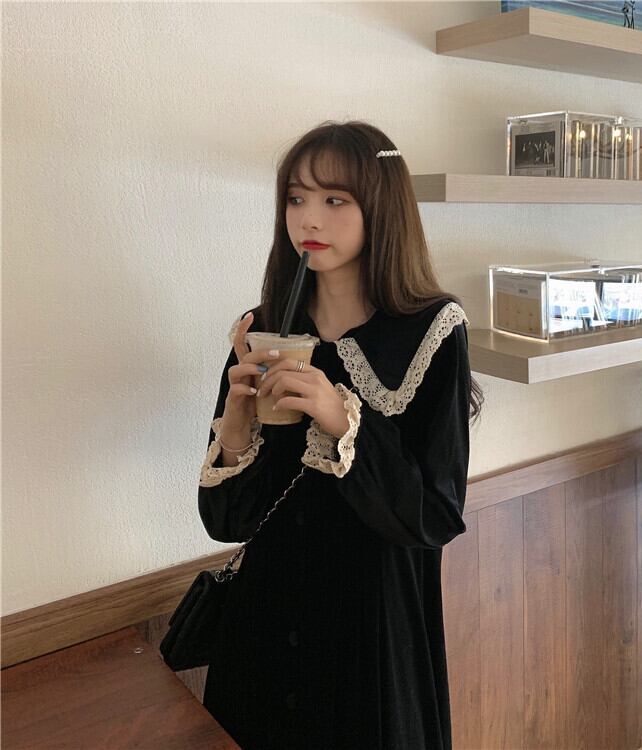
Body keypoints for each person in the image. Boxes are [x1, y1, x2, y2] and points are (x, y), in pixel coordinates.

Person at [198, 120, 484, 750]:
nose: (309, 219)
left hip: (371, 633)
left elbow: (435, 514)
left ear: (380, 207)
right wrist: (237, 422)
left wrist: (343, 419)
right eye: (296, 198)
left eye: (335, 199)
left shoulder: (432, 329)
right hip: (264, 625)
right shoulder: (266, 327)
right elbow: (226, 522)